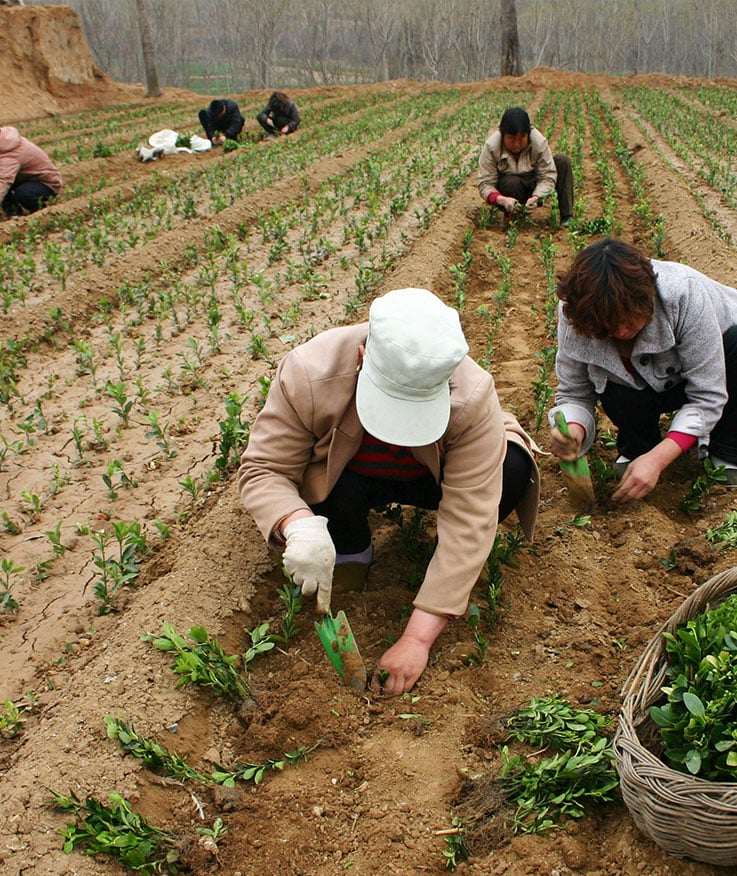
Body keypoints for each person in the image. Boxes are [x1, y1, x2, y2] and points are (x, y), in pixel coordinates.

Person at [239, 288, 539, 694]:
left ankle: (442, 569)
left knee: (512, 471)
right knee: (322, 492)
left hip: (429, 477)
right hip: (348, 472)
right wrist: (297, 525)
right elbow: (265, 468)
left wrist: (417, 639)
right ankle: (350, 547)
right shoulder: (310, 372)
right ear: (362, 358)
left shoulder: (472, 393)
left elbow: (471, 516)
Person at [548, 238, 737, 503]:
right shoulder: (576, 313)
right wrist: (573, 428)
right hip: (645, 384)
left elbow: (708, 394)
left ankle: (726, 450)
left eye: (629, 321)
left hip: (721, 362)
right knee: (612, 376)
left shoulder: (683, 294)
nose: (623, 332)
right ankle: (638, 447)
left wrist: (659, 459)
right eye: (610, 327)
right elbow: (575, 392)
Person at [478, 106, 573, 227]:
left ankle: (567, 216)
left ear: (528, 134)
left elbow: (547, 176)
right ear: (502, 134)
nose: (516, 144)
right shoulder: (492, 147)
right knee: (511, 182)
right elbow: (485, 184)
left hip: (533, 182)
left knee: (562, 161)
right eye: (511, 138)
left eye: (522, 138)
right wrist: (503, 200)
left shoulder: (538, 142)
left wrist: (537, 196)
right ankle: (512, 215)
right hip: (509, 189)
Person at [0, 126, 62, 219]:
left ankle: (41, 213)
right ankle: (13, 213)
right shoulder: (3, 139)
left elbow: (3, 181)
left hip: (46, 182)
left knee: (23, 193)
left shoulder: (10, 153)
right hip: (25, 178)